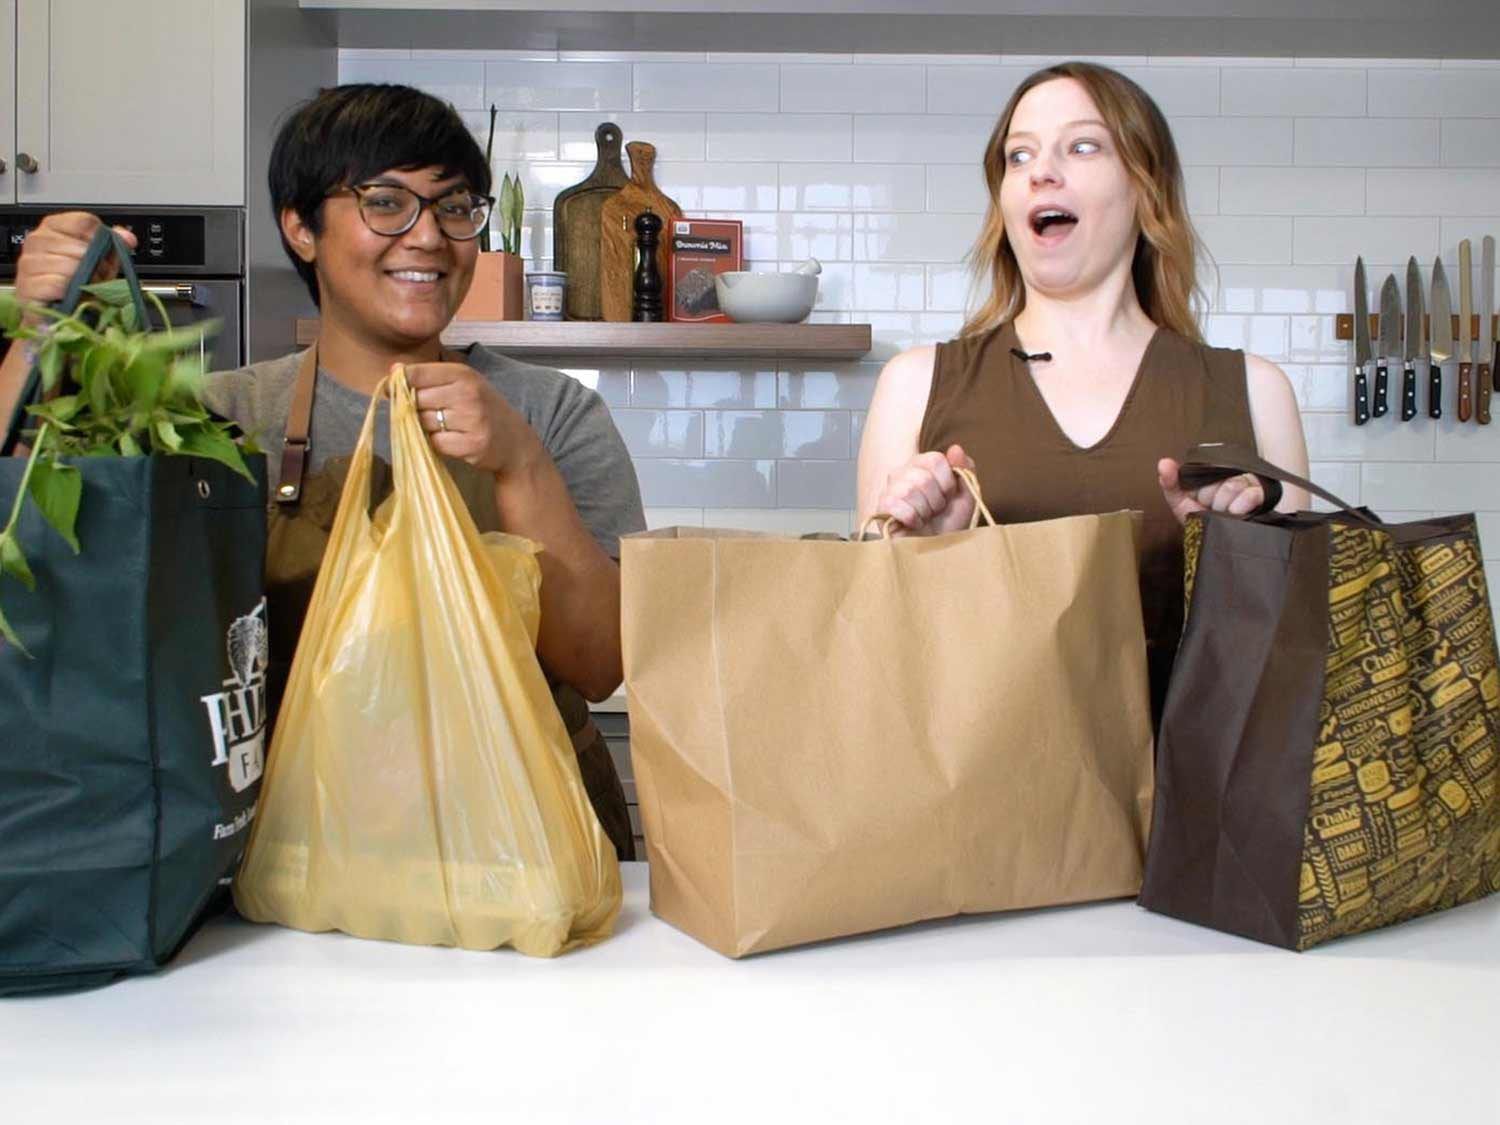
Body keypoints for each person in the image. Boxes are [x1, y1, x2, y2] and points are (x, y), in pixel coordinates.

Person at [0, 84, 644, 860]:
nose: (428, 237)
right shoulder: (223, 417)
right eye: (385, 203)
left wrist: (520, 464)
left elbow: (603, 662)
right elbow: (43, 566)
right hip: (290, 854)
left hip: (533, 849)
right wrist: (41, 331)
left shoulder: (552, 413)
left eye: (453, 206)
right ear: (300, 228)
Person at [856, 61, 1310, 724]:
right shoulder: (915, 385)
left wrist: (1231, 559)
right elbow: (867, 652)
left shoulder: (1256, 392)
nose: (1042, 170)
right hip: (977, 814)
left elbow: (1295, 667)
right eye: (1020, 154)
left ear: (1144, 189)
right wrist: (924, 557)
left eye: (1083, 145)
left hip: (1195, 816)